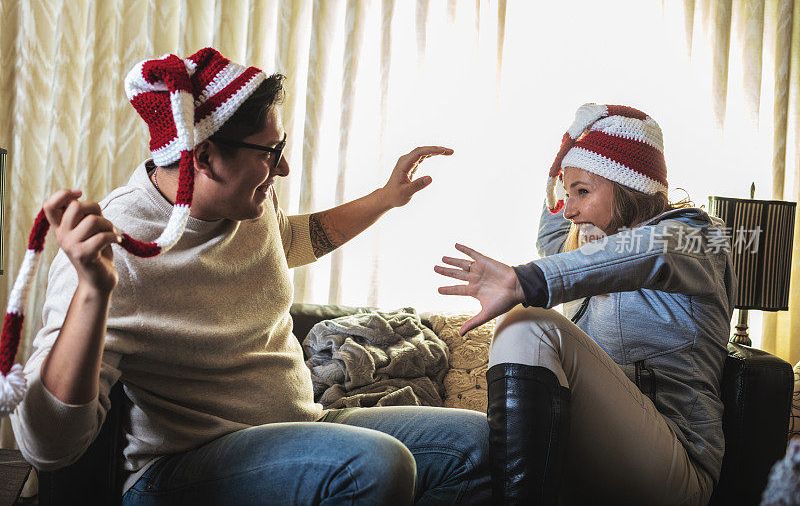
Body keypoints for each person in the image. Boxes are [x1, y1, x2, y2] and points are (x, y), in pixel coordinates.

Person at [7, 48, 490, 505]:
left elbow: (294, 241)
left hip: (301, 426)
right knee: (375, 465)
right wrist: (92, 295)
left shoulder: (250, 205)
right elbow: (49, 447)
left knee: (480, 441)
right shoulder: (117, 252)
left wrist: (385, 198)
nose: (281, 167)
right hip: (185, 467)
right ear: (204, 157)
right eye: (268, 152)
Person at [435, 104, 735, 505]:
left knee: (528, 324)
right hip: (594, 458)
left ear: (629, 188)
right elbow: (555, 228)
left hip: (676, 464)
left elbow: (643, 251)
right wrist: (562, 163)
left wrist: (523, 281)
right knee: (460, 456)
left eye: (582, 192)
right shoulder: (583, 245)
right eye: (567, 192)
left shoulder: (693, 238)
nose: (570, 208)